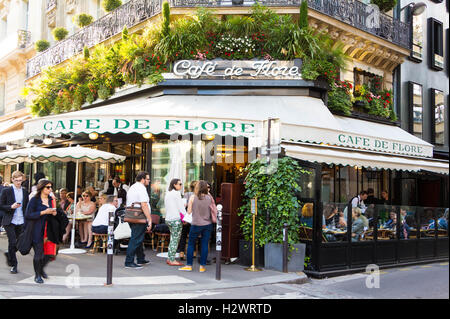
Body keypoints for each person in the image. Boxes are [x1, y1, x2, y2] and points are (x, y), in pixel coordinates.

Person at [24, 179, 58, 283]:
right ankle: (37, 275)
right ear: (41, 188)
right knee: (38, 253)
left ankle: (41, 269)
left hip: (49, 230)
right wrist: (43, 212)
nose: (50, 189)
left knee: (51, 253)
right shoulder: (34, 200)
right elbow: (28, 215)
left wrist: (54, 213)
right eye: (48, 187)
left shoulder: (51, 199)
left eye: (51, 187)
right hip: (37, 229)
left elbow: (56, 211)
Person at [179, 180, 214, 273]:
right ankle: (202, 266)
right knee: (204, 244)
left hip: (196, 224)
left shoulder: (193, 197)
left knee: (191, 244)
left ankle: (189, 265)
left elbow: (189, 211)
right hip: (207, 224)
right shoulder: (209, 197)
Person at [0, 171, 29, 274]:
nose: (18, 183)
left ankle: (9, 253)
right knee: (12, 242)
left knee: (19, 243)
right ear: (12, 180)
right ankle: (14, 265)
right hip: (10, 220)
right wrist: (10, 207)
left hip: (21, 220)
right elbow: (1, 205)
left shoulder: (25, 192)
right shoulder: (6, 191)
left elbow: (27, 206)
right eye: (16, 180)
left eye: (20, 181)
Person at [124, 171, 152, 269]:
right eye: (148, 179)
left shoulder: (133, 187)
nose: (149, 181)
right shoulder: (141, 188)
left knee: (137, 237)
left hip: (131, 216)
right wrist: (149, 219)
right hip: (139, 216)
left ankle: (141, 258)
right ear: (143, 179)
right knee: (136, 239)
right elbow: (144, 204)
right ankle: (129, 261)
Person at [164, 178, 186, 266]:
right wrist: (186, 216)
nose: (181, 186)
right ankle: (172, 259)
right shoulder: (176, 193)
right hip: (175, 219)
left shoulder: (168, 193)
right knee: (175, 240)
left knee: (172, 239)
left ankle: (170, 257)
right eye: (179, 184)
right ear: (174, 185)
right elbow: (181, 207)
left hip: (168, 218)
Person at [178, 181, 197, 260]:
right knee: (193, 235)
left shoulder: (186, 194)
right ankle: (193, 252)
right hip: (194, 217)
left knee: (183, 235)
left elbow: (183, 205)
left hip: (186, 216)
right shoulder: (197, 195)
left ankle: (181, 252)